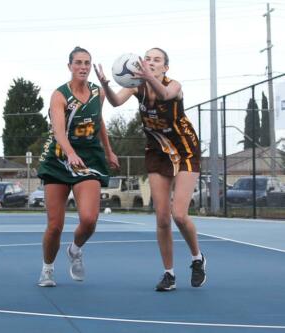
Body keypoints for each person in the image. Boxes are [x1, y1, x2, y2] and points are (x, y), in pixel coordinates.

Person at [94, 47, 206, 291]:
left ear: (165, 67)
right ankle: (169, 274)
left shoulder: (174, 85)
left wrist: (148, 76)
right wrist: (105, 84)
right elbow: (114, 102)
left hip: (185, 149)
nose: (151, 62)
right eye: (147, 59)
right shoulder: (136, 87)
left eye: (157, 60)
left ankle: (197, 258)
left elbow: (165, 94)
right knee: (162, 218)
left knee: (179, 214)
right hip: (157, 153)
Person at [37, 47, 119, 287]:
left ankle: (75, 250)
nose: (83, 67)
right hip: (60, 159)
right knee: (55, 226)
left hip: (89, 160)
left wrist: (109, 149)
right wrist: (70, 153)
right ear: (70, 66)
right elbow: (58, 131)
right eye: (78, 63)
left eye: (87, 63)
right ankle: (47, 268)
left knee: (89, 219)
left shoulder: (98, 93)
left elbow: (99, 121)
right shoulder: (59, 96)